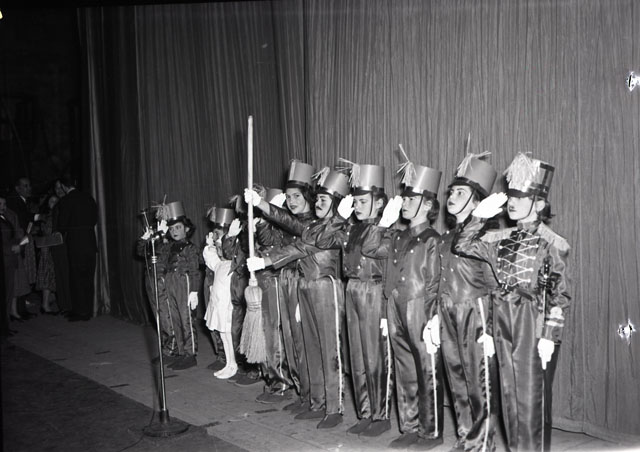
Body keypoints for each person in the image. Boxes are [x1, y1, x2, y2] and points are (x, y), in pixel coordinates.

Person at [455, 153, 571, 452]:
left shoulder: (552, 243)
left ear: (540, 204)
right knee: (508, 396)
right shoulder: (500, 239)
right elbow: (462, 245)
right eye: (512, 197)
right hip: (502, 320)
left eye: (522, 197)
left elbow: (560, 294)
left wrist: (550, 335)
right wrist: (478, 217)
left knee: (531, 399)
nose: (513, 203)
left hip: (532, 321)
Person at [246, 167, 349, 429]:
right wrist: (262, 205)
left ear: (337, 203)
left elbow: (306, 243)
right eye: (318, 199)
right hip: (306, 286)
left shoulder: (338, 229)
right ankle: (315, 400)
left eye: (324, 200)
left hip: (326, 288)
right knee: (309, 347)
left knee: (330, 351)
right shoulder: (314, 226)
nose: (317, 203)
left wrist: (267, 260)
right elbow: (294, 227)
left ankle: (334, 408)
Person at [315, 163, 394, 438]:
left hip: (374, 291)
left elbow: (375, 250)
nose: (357, 207)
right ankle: (364, 412)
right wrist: (338, 217)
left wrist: (380, 224)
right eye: (355, 202)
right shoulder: (350, 229)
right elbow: (321, 239)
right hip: (352, 290)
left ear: (379, 202)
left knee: (375, 356)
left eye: (362, 202)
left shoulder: (388, 230)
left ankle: (381, 415)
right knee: (357, 356)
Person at [373, 160, 444, 450]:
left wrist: (434, 317)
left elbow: (436, 282)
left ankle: (431, 431)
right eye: (404, 198)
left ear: (427, 205)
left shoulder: (433, 239)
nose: (403, 203)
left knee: (427, 370)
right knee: (404, 369)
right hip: (395, 305)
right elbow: (370, 248)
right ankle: (410, 426)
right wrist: (382, 224)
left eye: (410, 200)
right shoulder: (397, 235)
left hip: (420, 307)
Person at [437, 153, 499, 451]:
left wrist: (492, 328)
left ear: (476, 202)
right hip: (447, 312)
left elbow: (495, 283)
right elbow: (440, 280)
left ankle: (483, 443)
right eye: (451, 192)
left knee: (479, 382)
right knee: (456, 379)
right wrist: (434, 317)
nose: (451, 197)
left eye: (460, 193)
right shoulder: (445, 237)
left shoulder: (487, 238)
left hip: (475, 313)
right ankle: (466, 437)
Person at [244, 160, 316, 414]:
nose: (291, 201)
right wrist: (261, 219)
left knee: (302, 342)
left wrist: (264, 205)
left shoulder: (313, 223)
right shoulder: (288, 220)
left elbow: (294, 226)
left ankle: (310, 393)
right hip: (286, 281)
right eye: (288, 196)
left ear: (308, 196)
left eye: (297, 196)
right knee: (289, 339)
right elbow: (272, 238)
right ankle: (298, 389)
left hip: (306, 285)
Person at [156, 201, 201, 371]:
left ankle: (191, 354)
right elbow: (158, 255)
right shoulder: (168, 247)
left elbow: (195, 270)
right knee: (175, 319)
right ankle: (182, 352)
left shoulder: (190, 248)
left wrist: (194, 291)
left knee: (186, 319)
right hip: (170, 282)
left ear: (186, 229)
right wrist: (159, 234)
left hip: (184, 282)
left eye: (178, 227)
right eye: (172, 228)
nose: (174, 231)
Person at [136, 210, 178, 365]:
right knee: (158, 315)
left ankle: (171, 349)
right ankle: (167, 346)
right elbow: (141, 252)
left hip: (163, 279)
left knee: (165, 314)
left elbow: (164, 252)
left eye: (164, 218)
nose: (160, 221)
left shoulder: (172, 235)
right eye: (159, 218)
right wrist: (145, 238)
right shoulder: (156, 234)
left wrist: (160, 235)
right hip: (150, 278)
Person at [55, 175, 98, 321]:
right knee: (88, 278)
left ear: (63, 186)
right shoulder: (88, 198)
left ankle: (80, 312)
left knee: (76, 278)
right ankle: (88, 311)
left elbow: (62, 225)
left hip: (75, 245)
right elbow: (94, 219)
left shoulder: (65, 201)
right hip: (90, 242)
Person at [203, 207, 237, 379]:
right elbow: (211, 261)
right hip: (218, 303)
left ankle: (234, 364)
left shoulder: (233, 265)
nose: (218, 247)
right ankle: (229, 363)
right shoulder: (220, 265)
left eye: (220, 243)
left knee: (229, 333)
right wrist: (209, 247)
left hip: (227, 306)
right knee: (223, 334)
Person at [35, 195, 61, 314]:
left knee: (51, 276)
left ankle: (48, 301)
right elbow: (46, 231)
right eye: (51, 201)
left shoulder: (56, 215)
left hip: (52, 248)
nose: (54, 203)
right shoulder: (47, 216)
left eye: (56, 201)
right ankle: (45, 305)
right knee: (46, 275)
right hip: (47, 248)